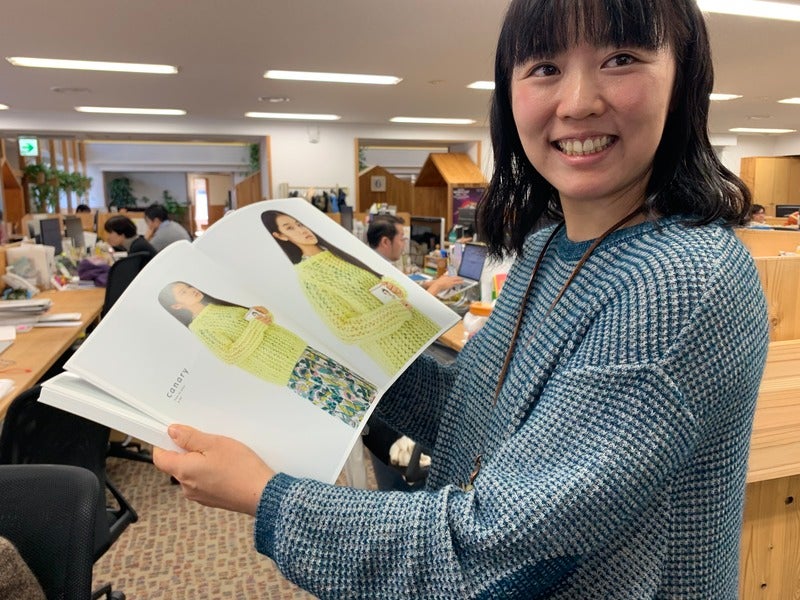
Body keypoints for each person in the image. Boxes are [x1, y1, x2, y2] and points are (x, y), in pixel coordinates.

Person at [153, 0, 769, 596]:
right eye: (545, 67)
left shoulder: (684, 279)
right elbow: (466, 409)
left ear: (683, 79)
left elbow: (498, 550)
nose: (578, 101)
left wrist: (267, 498)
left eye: (621, 58)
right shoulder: (547, 249)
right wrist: (331, 355)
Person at [158, 281, 376, 427]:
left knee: (355, 386)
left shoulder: (216, 307)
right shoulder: (200, 326)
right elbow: (230, 355)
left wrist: (262, 314)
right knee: (345, 401)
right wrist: (257, 326)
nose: (191, 290)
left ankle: (381, 414)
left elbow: (257, 322)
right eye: (183, 292)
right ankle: (378, 431)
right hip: (286, 367)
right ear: (177, 306)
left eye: (188, 286)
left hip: (295, 349)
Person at [261, 209, 440, 375]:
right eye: (290, 228)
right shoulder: (309, 275)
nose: (301, 230)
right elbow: (346, 330)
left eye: (299, 224)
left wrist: (393, 287)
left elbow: (378, 281)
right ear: (280, 236)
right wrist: (396, 311)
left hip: (424, 333)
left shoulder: (337, 251)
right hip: (402, 353)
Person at [367, 214, 464, 297]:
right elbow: (407, 308)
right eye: (401, 239)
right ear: (385, 242)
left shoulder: (376, 263)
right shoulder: (376, 274)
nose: (404, 243)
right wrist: (438, 286)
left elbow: (403, 288)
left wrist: (430, 284)